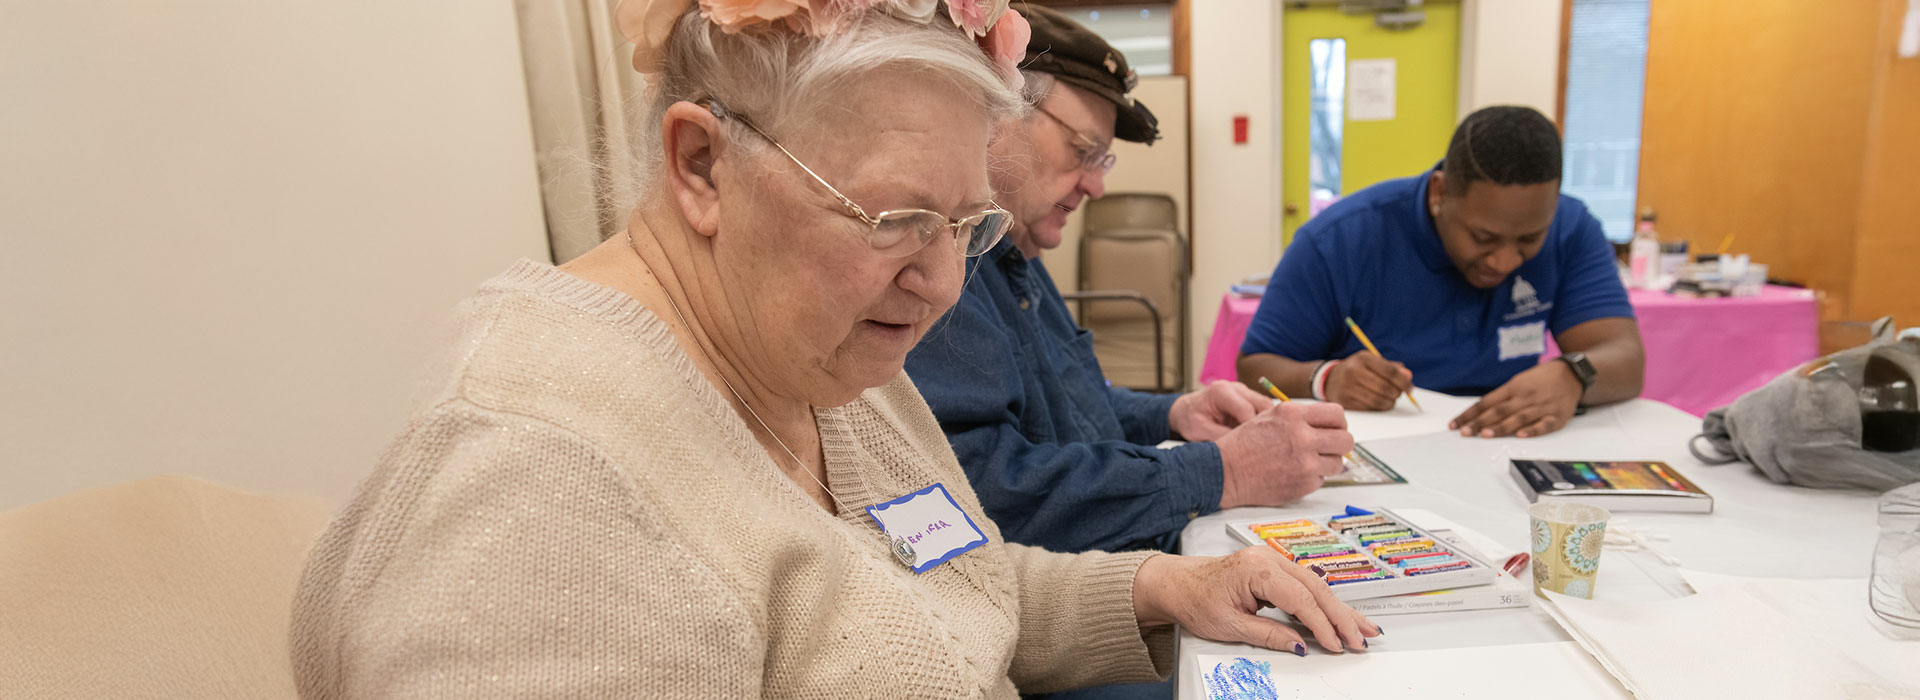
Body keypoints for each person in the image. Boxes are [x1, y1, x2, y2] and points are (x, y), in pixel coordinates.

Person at [289, 2, 1377, 697]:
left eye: (967, 227)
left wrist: (1158, 586)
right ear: (702, 166)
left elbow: (944, 581)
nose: (944, 282)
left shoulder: (822, 360)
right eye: (897, 220)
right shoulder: (536, 495)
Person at [905, 6, 1353, 556]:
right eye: (1082, 151)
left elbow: (1070, 409)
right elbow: (985, 489)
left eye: (1103, 160)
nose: (1095, 186)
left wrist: (1173, 413)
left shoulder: (1012, 251)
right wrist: (1222, 471)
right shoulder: (942, 266)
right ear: (995, 116)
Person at [1237, 106, 1645, 439]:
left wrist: (1574, 374)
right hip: (1379, 448)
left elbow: (1625, 357)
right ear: (1439, 194)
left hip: (1501, 447)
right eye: (1483, 237)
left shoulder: (1572, 229)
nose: (1504, 260)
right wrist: (1326, 378)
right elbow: (1256, 365)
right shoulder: (1341, 239)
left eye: (1528, 239)